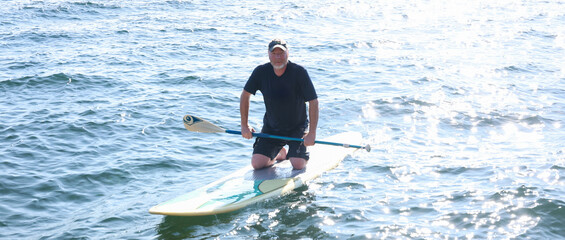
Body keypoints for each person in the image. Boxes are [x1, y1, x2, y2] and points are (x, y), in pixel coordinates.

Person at [240, 38, 318, 170]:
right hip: (272, 128)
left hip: (297, 128)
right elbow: (245, 96)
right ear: (268, 54)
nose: (278, 57)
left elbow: (313, 102)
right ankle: (279, 151)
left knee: (298, 164)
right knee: (257, 164)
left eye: (281, 53)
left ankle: (293, 152)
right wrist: (244, 125)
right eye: (274, 53)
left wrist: (312, 133)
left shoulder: (299, 72)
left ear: (288, 53)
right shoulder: (260, 72)